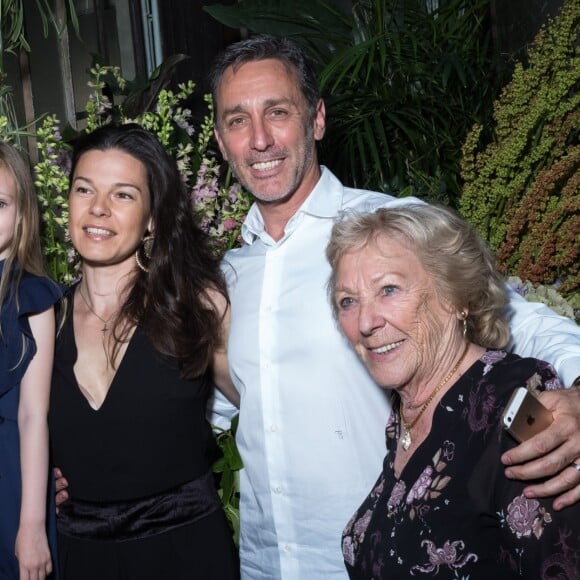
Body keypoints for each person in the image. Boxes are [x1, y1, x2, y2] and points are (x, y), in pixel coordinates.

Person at [207, 35, 580, 579]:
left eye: (278, 113)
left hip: (394, 557)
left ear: (316, 119)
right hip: (267, 566)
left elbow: (519, 320)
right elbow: (212, 406)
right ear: (221, 140)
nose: (260, 139)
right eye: (238, 120)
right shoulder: (228, 276)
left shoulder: (386, 228)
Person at [326, 203, 579, 578]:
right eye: (348, 301)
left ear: (455, 296)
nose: (365, 322)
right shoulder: (406, 417)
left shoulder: (518, 402)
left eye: (389, 289)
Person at [48, 124, 239, 579]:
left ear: (153, 216)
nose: (98, 209)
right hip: (80, 560)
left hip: (186, 556)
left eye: (123, 195)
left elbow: (263, 411)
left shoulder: (199, 305)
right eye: (84, 189)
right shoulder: (42, 319)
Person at [0, 142, 62, 579]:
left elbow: (32, 416)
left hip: (9, 486)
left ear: (22, 212)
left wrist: (32, 526)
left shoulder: (32, 296)